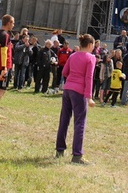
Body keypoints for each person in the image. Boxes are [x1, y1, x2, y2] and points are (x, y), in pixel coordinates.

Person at [55, 34, 96, 165]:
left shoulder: (73, 55)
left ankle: (59, 150)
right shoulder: (90, 58)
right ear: (90, 45)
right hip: (79, 92)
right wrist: (89, 97)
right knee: (80, 122)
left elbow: (64, 72)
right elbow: (89, 78)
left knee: (64, 120)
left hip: (68, 89)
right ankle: (77, 155)